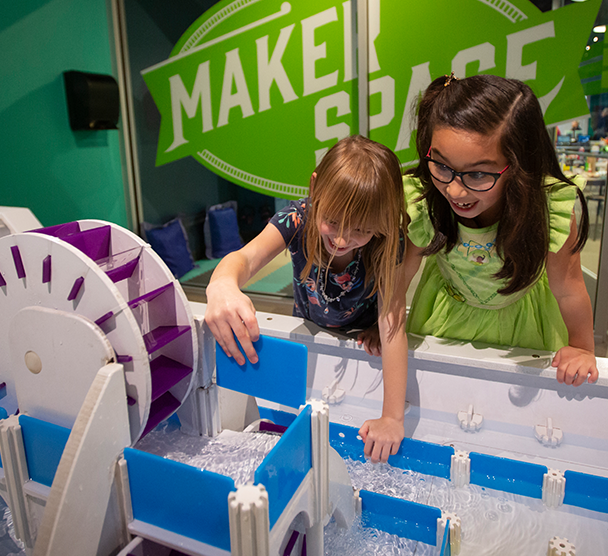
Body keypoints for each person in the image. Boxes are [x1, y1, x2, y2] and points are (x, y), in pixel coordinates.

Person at [205, 135, 410, 463]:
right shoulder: (298, 218)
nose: (342, 239)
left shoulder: (389, 240)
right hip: (310, 326)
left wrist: (392, 418)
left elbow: (393, 321)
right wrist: (222, 286)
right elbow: (246, 258)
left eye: (360, 230)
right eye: (333, 221)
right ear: (316, 189)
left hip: (363, 334)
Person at [403, 73, 598, 386]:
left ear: (519, 166)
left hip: (527, 326)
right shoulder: (425, 199)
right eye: (440, 165)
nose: (454, 191)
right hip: (444, 320)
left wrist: (581, 347)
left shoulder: (547, 209)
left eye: (478, 174)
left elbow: (569, 286)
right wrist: (381, 323)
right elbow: (399, 276)